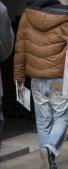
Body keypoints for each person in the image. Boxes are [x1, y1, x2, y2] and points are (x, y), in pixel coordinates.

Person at [13, 0, 68, 168]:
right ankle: (50, 149)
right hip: (59, 80)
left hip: (36, 80)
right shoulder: (66, 18)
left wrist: (19, 77)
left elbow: (20, 49)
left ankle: (49, 162)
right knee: (62, 117)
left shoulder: (26, 17)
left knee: (43, 121)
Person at [0, 1, 14, 145]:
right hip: (57, 74)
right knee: (60, 115)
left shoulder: (28, 20)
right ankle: (50, 146)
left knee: (42, 118)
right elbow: (6, 48)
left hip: (35, 75)